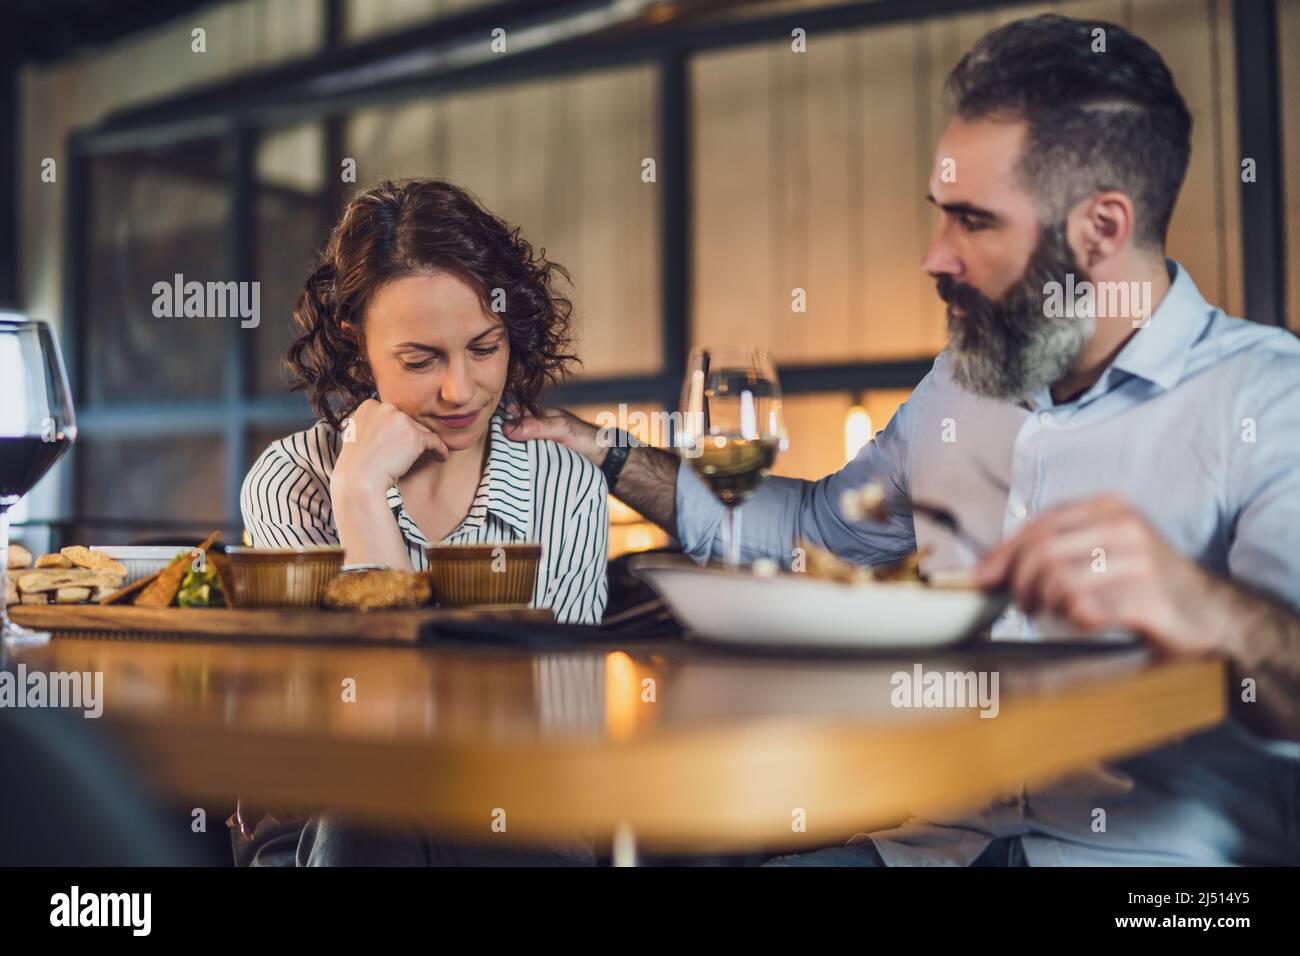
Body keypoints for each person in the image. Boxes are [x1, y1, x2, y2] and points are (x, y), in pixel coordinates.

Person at [507, 13, 1300, 866]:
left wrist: (1201, 607)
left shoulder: (1266, 395)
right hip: (931, 849)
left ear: (1102, 229)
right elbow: (813, 529)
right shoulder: (957, 386)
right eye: (940, 216)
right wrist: (608, 452)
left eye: (974, 221)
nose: (934, 256)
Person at [234, 178, 606, 865]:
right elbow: (355, 738)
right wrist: (360, 493)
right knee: (375, 798)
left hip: (518, 814)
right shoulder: (292, 482)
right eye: (420, 360)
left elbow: (562, 736)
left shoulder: (566, 485)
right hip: (332, 824)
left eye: (485, 348)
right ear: (357, 345)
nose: (461, 390)